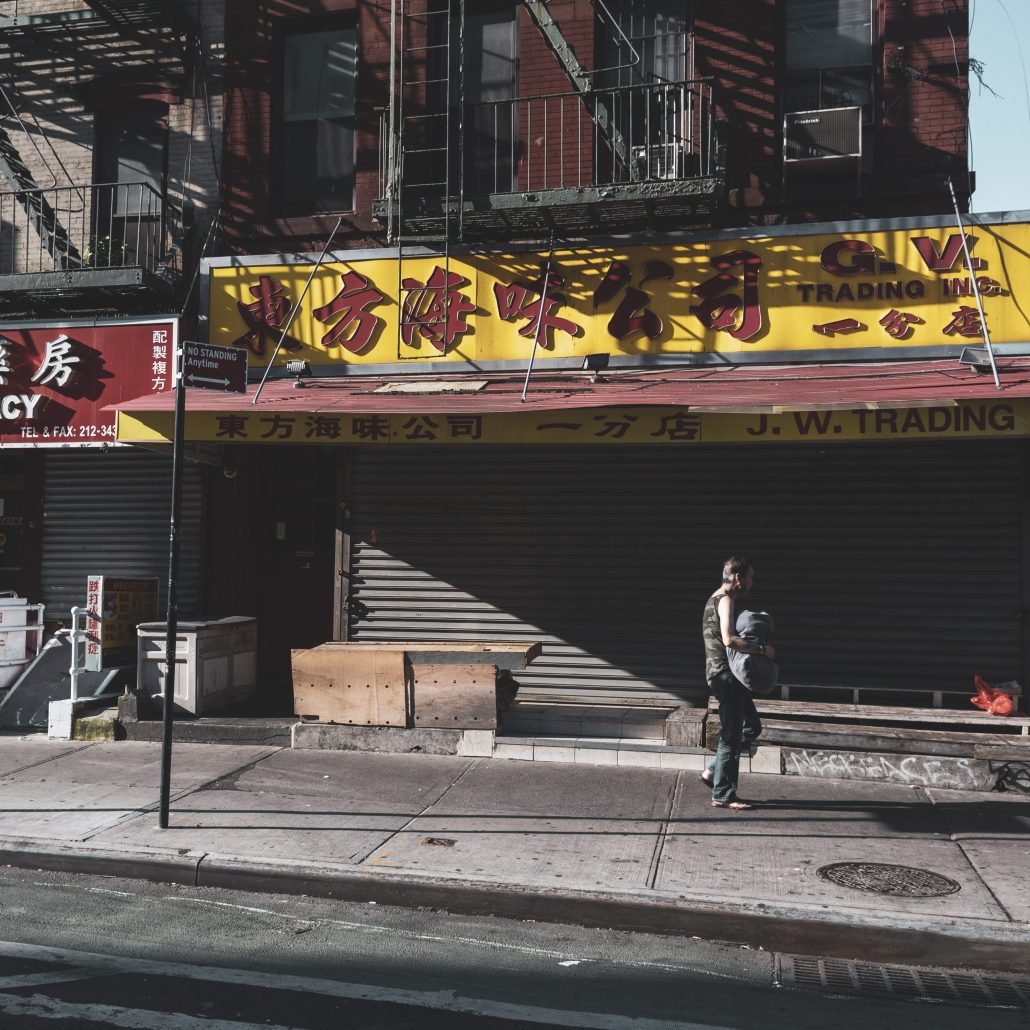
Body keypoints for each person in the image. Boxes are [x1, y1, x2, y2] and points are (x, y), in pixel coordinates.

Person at [700, 557, 771, 810]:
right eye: (750, 578)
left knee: (751, 726)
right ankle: (723, 794)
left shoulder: (712, 599)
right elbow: (730, 640)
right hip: (726, 675)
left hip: (722, 676)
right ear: (738, 578)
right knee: (731, 735)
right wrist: (762, 650)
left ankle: (713, 773)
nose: (751, 583)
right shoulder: (726, 600)